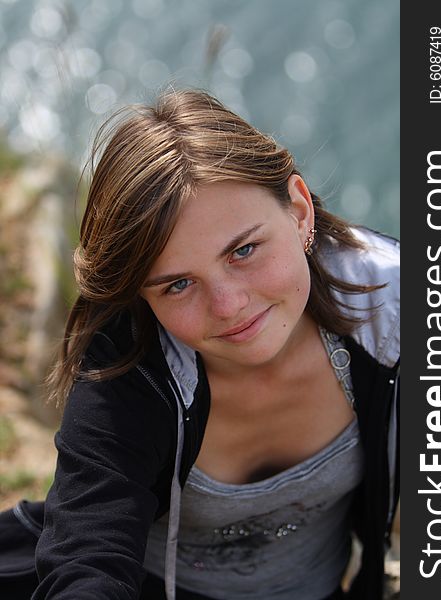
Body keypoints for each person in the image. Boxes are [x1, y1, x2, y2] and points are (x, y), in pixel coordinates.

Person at [4, 89, 399, 599]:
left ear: (299, 210)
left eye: (244, 250)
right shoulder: (126, 366)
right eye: (177, 284)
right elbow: (87, 547)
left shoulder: (398, 312)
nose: (229, 305)